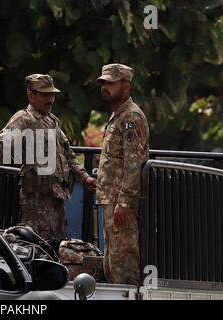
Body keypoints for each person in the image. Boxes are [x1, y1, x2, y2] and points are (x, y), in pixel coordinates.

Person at [0, 74, 97, 240]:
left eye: (52, 94)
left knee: (57, 244)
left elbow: (68, 154)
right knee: (35, 244)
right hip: (36, 200)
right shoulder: (25, 119)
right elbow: (2, 140)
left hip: (56, 198)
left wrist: (85, 178)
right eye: (45, 95)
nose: (51, 99)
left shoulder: (53, 121)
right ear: (31, 95)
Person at [96, 63, 149, 285]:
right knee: (111, 263)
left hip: (121, 204)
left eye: (110, 82)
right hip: (112, 201)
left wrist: (125, 202)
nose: (105, 87)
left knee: (123, 266)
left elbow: (134, 163)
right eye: (103, 83)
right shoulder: (118, 115)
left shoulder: (131, 117)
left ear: (125, 86)